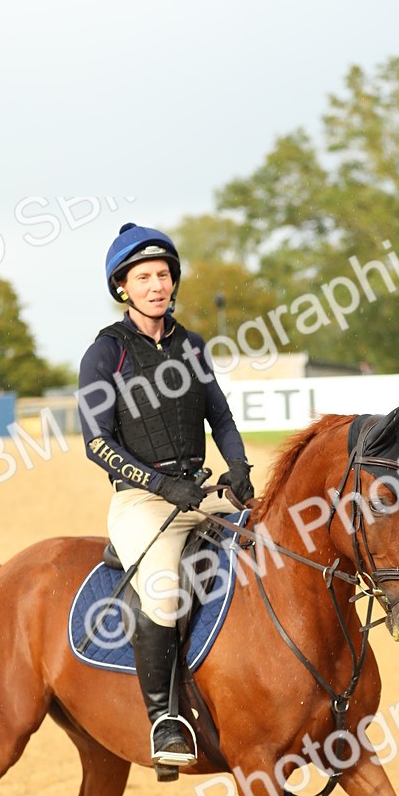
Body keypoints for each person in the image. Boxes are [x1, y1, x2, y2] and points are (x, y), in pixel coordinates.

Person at [78, 223, 254, 768]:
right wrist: (160, 485)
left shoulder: (191, 345)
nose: (157, 284)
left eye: (164, 275)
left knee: (276, 540)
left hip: (200, 494)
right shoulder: (105, 354)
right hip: (142, 501)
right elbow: (95, 443)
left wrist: (240, 467)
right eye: (144, 276)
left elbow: (219, 416)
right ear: (123, 287)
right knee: (160, 591)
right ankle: (165, 720)